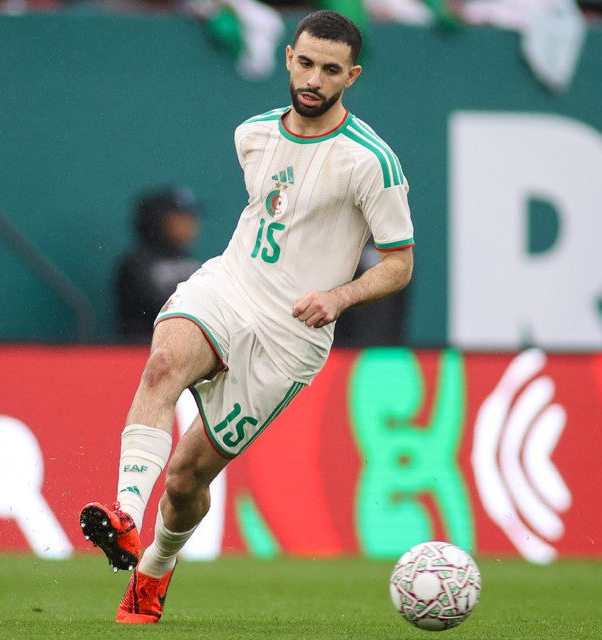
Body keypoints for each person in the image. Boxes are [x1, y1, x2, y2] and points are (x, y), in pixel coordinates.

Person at [78, 10, 415, 624]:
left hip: (291, 338)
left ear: (352, 76)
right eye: (306, 63)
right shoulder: (253, 134)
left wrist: (337, 298)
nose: (314, 78)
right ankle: (125, 516)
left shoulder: (371, 162)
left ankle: (153, 567)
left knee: (185, 481)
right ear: (288, 57)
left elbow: (399, 263)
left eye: (331, 70)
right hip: (230, 287)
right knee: (163, 366)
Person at [115, 186, 202, 343]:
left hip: (190, 349)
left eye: (191, 216)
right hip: (144, 351)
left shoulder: (192, 262)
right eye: (180, 216)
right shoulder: (136, 264)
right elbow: (166, 311)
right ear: (157, 219)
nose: (190, 223)